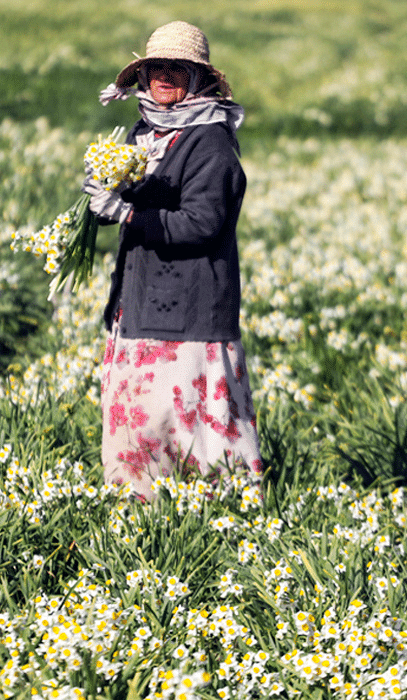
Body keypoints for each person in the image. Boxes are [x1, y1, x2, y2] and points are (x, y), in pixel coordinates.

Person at [82, 20, 261, 500]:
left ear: (200, 79)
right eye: (155, 67)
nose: (164, 76)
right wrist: (107, 196)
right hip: (143, 300)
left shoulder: (212, 142)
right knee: (141, 417)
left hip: (190, 311)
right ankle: (140, 511)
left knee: (194, 431)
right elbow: (142, 205)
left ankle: (222, 516)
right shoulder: (148, 131)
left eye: (177, 69)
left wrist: (126, 213)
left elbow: (204, 223)